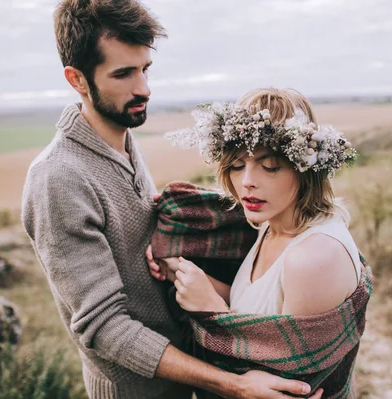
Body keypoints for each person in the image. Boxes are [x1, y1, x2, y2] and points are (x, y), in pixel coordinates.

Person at [22, 1, 320, 398]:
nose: (143, 88)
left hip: (183, 380)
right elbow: (104, 327)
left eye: (145, 69)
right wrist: (232, 384)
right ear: (77, 79)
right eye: (123, 74)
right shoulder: (57, 178)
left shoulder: (123, 140)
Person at [149, 88, 372, 398]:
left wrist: (211, 309)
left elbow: (282, 389)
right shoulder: (272, 224)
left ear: (304, 167)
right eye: (238, 165)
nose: (247, 181)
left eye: (270, 166)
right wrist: (178, 271)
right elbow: (261, 306)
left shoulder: (312, 258)